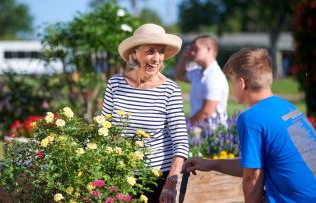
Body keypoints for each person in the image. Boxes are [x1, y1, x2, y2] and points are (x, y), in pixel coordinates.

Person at [182, 48, 316, 203]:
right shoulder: (287, 107)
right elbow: (252, 165)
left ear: (241, 83)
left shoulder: (251, 118)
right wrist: (210, 163)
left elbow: (252, 178)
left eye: (231, 81)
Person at [101, 23, 189, 203]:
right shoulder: (115, 84)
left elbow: (180, 142)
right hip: (119, 175)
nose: (157, 58)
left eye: (161, 52)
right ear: (135, 53)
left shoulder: (169, 90)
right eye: (150, 51)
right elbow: (104, 129)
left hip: (156, 180)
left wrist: (170, 184)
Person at [174, 35, 229, 126]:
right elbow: (178, 75)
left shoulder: (214, 76)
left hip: (212, 134)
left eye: (195, 49)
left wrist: (185, 126)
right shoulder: (198, 72)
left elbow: (206, 112)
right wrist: (184, 57)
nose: (192, 53)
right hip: (200, 129)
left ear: (208, 49)